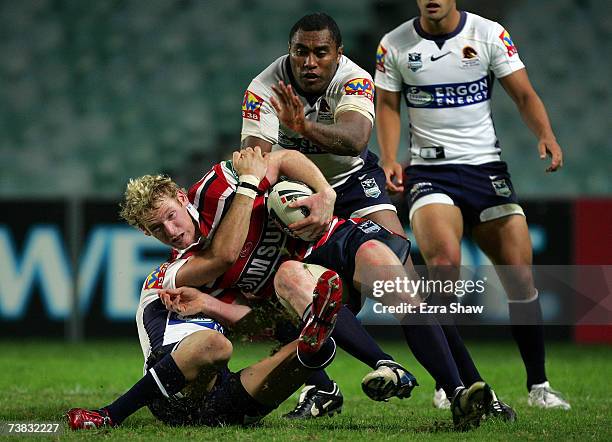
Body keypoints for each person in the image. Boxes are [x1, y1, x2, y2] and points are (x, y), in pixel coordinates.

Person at [374, 0, 570, 410]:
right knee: (444, 267)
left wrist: (545, 133)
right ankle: (451, 383)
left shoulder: (488, 33)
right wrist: (390, 157)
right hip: (431, 173)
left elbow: (524, 93)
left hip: (486, 171)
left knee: (519, 276)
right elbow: (388, 105)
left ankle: (539, 386)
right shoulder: (394, 44)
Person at [66, 148, 342, 429]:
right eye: (158, 228)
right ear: (147, 234)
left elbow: (255, 327)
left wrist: (210, 305)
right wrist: (248, 183)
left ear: (183, 199)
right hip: (173, 396)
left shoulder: (220, 276)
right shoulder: (167, 275)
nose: (171, 231)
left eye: (172, 216)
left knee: (316, 349)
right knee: (216, 343)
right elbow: (222, 256)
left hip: (222, 395)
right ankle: (109, 415)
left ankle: (313, 358)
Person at [240, 11, 410, 418]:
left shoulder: (354, 78)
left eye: (320, 52)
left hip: (353, 182)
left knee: (404, 280)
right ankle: (321, 388)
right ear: (290, 52)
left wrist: (303, 128)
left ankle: (455, 383)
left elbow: (355, 140)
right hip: (299, 190)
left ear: (338, 54)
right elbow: (256, 158)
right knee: (280, 287)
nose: (310, 61)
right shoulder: (263, 88)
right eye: (301, 52)